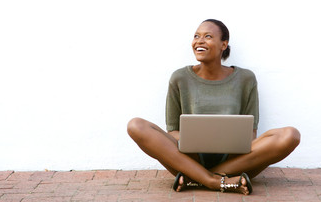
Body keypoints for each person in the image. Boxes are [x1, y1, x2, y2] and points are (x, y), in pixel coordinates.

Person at [127, 19, 301, 195]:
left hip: (236, 160)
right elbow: (172, 132)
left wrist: (225, 140)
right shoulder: (179, 78)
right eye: (196, 36)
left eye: (208, 36)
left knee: (290, 135)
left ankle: (196, 179)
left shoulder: (246, 79)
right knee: (136, 125)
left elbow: (250, 135)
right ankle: (212, 180)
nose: (199, 41)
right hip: (189, 158)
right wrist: (199, 138)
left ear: (223, 44)